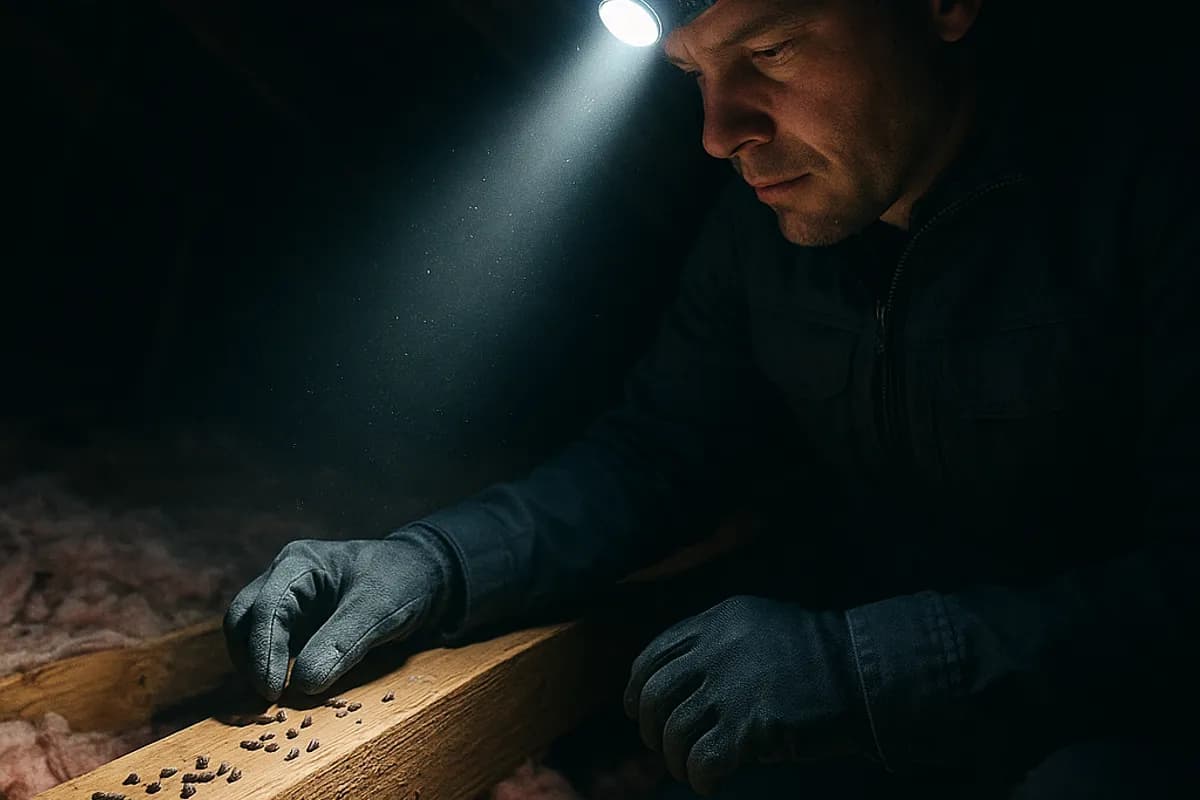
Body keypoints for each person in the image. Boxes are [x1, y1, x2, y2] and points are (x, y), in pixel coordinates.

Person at [224, 1, 1200, 797]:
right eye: (694, 73)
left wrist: (860, 666)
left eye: (769, 49)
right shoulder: (764, 235)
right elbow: (659, 454)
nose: (718, 132)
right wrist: (431, 561)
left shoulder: (1149, 182)